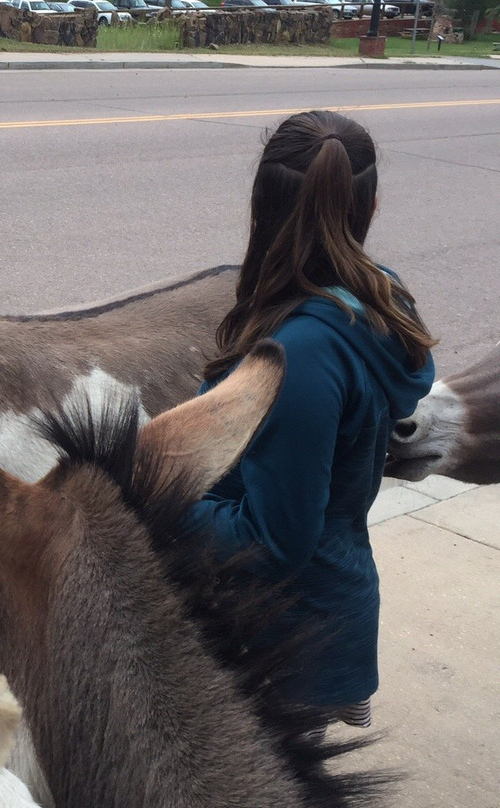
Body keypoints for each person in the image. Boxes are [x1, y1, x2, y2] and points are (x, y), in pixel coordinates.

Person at [187, 110, 436, 728]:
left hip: (286, 638)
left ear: (260, 209)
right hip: (331, 600)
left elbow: (273, 542)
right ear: (370, 206)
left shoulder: (303, 355)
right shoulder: (379, 297)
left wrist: (158, 490)